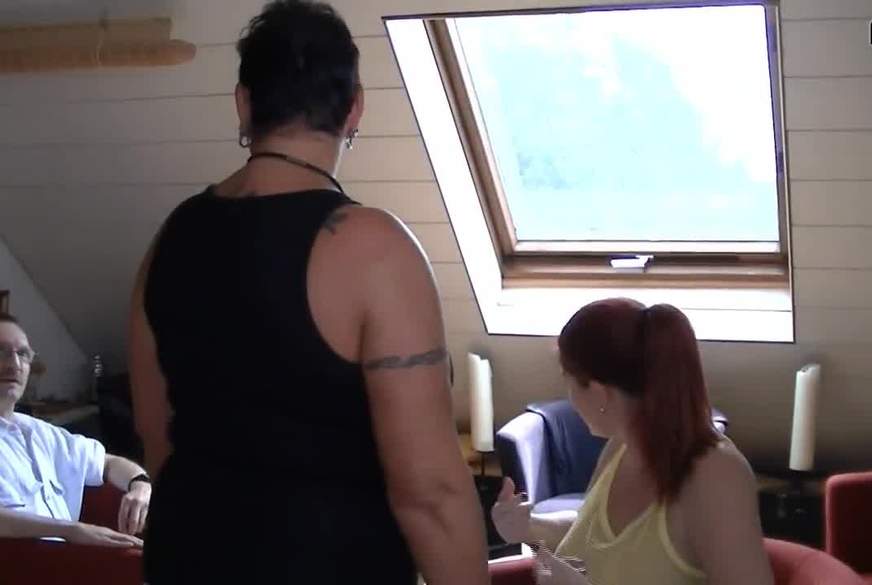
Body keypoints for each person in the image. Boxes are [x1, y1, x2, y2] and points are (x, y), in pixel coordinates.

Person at [128, 1, 489, 584]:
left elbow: (155, 432)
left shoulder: (171, 236)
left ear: (244, 103)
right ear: (355, 107)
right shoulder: (375, 249)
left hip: (185, 558)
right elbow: (430, 494)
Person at [493, 298, 774, 585]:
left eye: (568, 381)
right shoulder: (621, 447)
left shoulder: (718, 476)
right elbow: (595, 537)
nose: (570, 399)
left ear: (599, 393)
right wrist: (530, 527)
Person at [0, 312, 149, 547]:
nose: (15, 365)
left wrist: (140, 485)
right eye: (1, 352)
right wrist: (71, 530)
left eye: (23, 354)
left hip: (71, 561)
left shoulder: (40, 433)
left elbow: (108, 463)